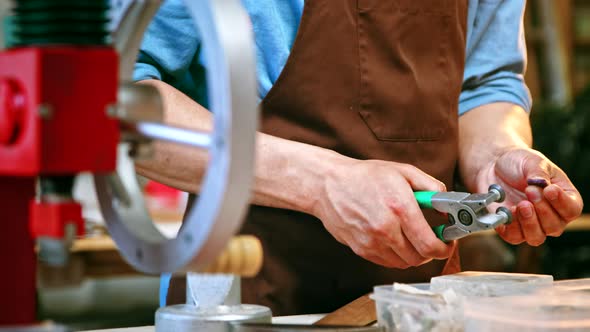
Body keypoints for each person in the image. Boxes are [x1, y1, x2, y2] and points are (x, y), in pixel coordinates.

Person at [133, 0, 583, 315]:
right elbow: (118, 103)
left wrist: (498, 154)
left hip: (419, 304)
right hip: (248, 294)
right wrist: (323, 184)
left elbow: (485, 84)